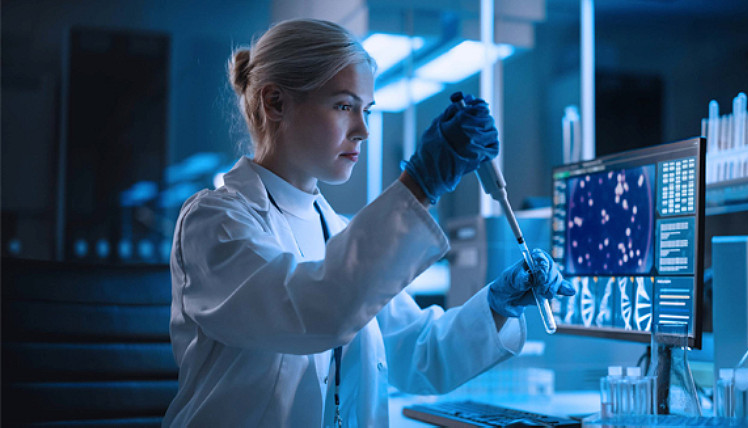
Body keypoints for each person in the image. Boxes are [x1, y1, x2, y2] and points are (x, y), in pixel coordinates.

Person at [162, 18, 574, 427]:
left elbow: (418, 351)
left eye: (367, 110)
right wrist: (418, 186)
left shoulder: (336, 230)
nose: (363, 130)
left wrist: (496, 306)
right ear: (276, 103)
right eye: (344, 106)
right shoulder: (214, 223)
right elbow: (316, 310)